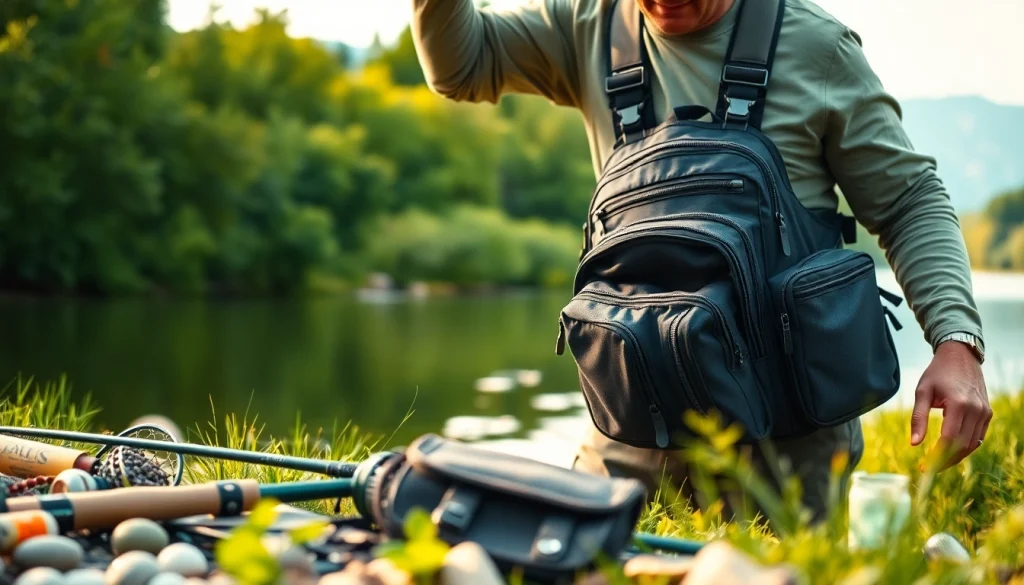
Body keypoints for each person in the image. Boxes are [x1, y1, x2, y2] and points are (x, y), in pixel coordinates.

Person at [409, 0, 991, 521]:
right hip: (627, 438)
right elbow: (460, 65)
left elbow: (909, 201)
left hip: (783, 458)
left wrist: (956, 341)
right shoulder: (588, 23)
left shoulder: (817, 47)